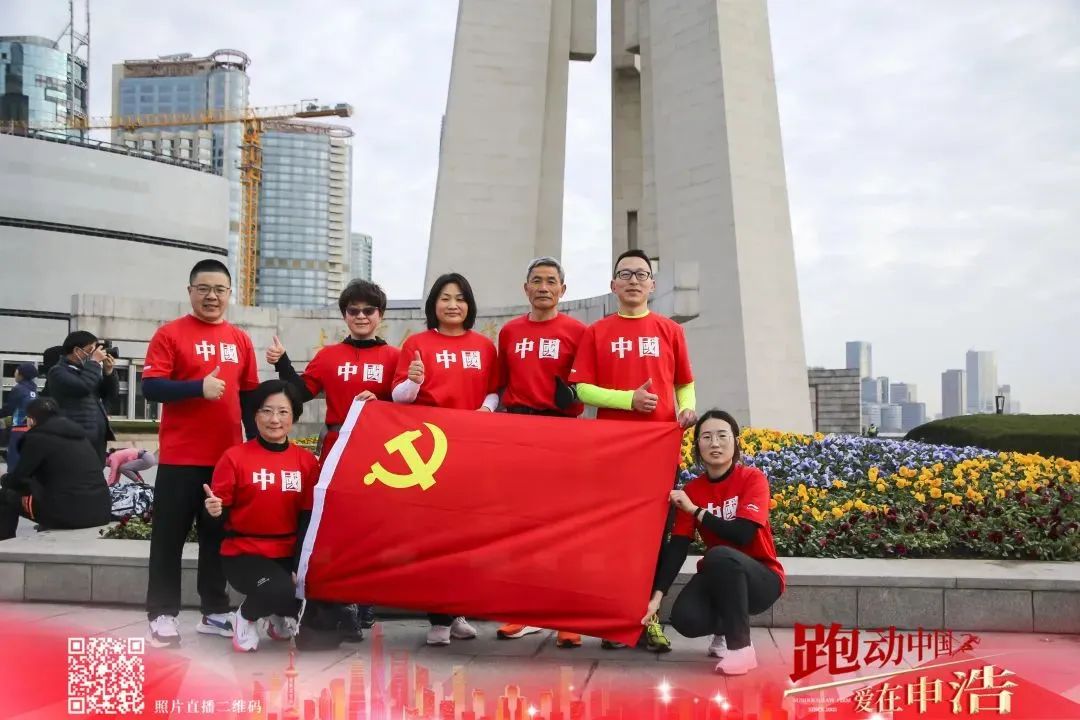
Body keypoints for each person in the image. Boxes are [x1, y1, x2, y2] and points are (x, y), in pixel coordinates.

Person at [569, 248, 698, 652]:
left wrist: (687, 407)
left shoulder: (670, 331)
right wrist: (628, 400)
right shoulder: (597, 332)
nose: (634, 280)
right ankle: (615, 620)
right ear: (613, 285)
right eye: (625, 274)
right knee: (614, 536)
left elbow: (684, 382)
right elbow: (581, 389)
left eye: (641, 274)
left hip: (659, 451)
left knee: (655, 535)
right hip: (613, 450)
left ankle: (648, 618)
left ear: (652, 285)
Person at [266, 278, 400, 637]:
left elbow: (408, 402)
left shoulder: (394, 357)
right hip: (337, 446)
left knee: (371, 525)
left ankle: (367, 602)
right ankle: (343, 604)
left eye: (368, 310)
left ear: (380, 315)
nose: (361, 316)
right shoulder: (328, 356)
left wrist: (382, 403)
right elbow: (300, 393)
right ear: (344, 315)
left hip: (378, 449)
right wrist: (282, 364)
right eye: (353, 310)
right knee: (335, 525)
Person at [141, 259, 260, 648]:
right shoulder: (170, 334)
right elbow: (151, 387)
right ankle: (162, 614)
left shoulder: (240, 340)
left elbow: (249, 398)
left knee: (216, 538)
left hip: (225, 460)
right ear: (190, 291)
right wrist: (197, 388)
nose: (212, 296)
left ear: (230, 294)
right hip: (179, 459)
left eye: (219, 290)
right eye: (203, 288)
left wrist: (256, 446)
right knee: (168, 538)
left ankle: (215, 611)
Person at [392, 272, 498, 646]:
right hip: (430, 449)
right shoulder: (417, 344)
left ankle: (457, 611)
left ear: (469, 305)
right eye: (445, 298)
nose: (453, 305)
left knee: (465, 533)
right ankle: (437, 617)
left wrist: (486, 409)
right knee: (432, 533)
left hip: (471, 448)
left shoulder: (484, 347)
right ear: (433, 304)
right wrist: (414, 381)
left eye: (460, 298)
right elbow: (398, 397)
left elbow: (495, 390)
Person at [646, 410, 785, 675]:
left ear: (735, 441)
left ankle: (741, 648)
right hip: (720, 575)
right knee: (685, 619)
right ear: (698, 445)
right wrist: (657, 597)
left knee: (720, 555)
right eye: (707, 437)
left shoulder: (752, 478)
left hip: (762, 578)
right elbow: (678, 547)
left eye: (722, 436)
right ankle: (725, 628)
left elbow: (743, 534)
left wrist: (696, 511)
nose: (715, 443)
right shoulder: (693, 490)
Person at [492, 257, 587, 648]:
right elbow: (499, 384)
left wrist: (572, 397)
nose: (543, 287)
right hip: (518, 428)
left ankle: (567, 617)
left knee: (563, 524)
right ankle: (522, 611)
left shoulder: (578, 332)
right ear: (525, 288)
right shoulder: (510, 332)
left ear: (563, 289)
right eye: (537, 280)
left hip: (561, 430)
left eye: (551, 281)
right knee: (520, 523)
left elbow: (586, 385)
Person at [203, 380, 319, 653]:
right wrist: (215, 512)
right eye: (266, 411)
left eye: (283, 412)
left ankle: (277, 616)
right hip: (244, 553)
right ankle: (245, 618)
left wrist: (299, 566)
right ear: (255, 415)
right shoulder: (234, 458)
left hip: (286, 553)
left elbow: (307, 518)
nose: (274, 419)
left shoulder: (306, 462)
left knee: (320, 612)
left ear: (293, 417)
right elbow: (216, 519)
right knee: (279, 590)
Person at [0, 398, 111, 540]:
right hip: (100, 512)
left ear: (32, 420)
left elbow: (17, 480)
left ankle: (6, 545)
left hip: (68, 516)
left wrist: (4, 478)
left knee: (5, 495)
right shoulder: (81, 438)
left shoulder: (37, 438)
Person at [46, 331, 118, 463]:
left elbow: (110, 394)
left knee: (96, 472)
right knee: (78, 472)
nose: (94, 354)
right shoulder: (57, 372)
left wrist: (109, 373)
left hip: (97, 435)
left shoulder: (87, 370)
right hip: (76, 436)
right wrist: (94, 363)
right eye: (90, 350)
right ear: (77, 350)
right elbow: (83, 387)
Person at [1, 362, 39, 470]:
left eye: (16, 372)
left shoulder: (18, 389)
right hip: (31, 426)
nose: (15, 374)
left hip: (19, 427)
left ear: (22, 375)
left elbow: (9, 409)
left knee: (14, 457)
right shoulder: (33, 389)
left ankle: (13, 479)